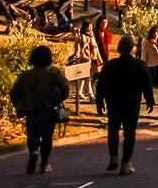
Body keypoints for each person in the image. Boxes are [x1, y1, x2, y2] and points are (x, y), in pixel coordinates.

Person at [94, 34, 155, 175]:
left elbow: (101, 85)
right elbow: (147, 85)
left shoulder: (110, 65)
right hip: (132, 103)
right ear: (132, 48)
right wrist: (150, 100)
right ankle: (125, 162)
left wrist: (99, 101)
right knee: (129, 132)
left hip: (113, 102)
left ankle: (113, 156)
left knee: (113, 129)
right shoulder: (140, 65)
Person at [9, 45, 69, 174]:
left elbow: (14, 93)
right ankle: (44, 163)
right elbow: (65, 88)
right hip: (49, 109)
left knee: (33, 134)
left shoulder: (26, 75)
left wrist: (20, 105)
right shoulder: (54, 73)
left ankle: (34, 151)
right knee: (47, 136)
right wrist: (58, 99)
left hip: (31, 109)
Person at [72, 20, 99, 102]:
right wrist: (77, 55)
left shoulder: (91, 36)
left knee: (84, 77)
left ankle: (79, 92)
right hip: (84, 58)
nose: (90, 29)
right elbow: (78, 46)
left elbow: (94, 47)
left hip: (91, 58)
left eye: (91, 27)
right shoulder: (81, 36)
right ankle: (91, 95)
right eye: (89, 27)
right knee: (87, 77)